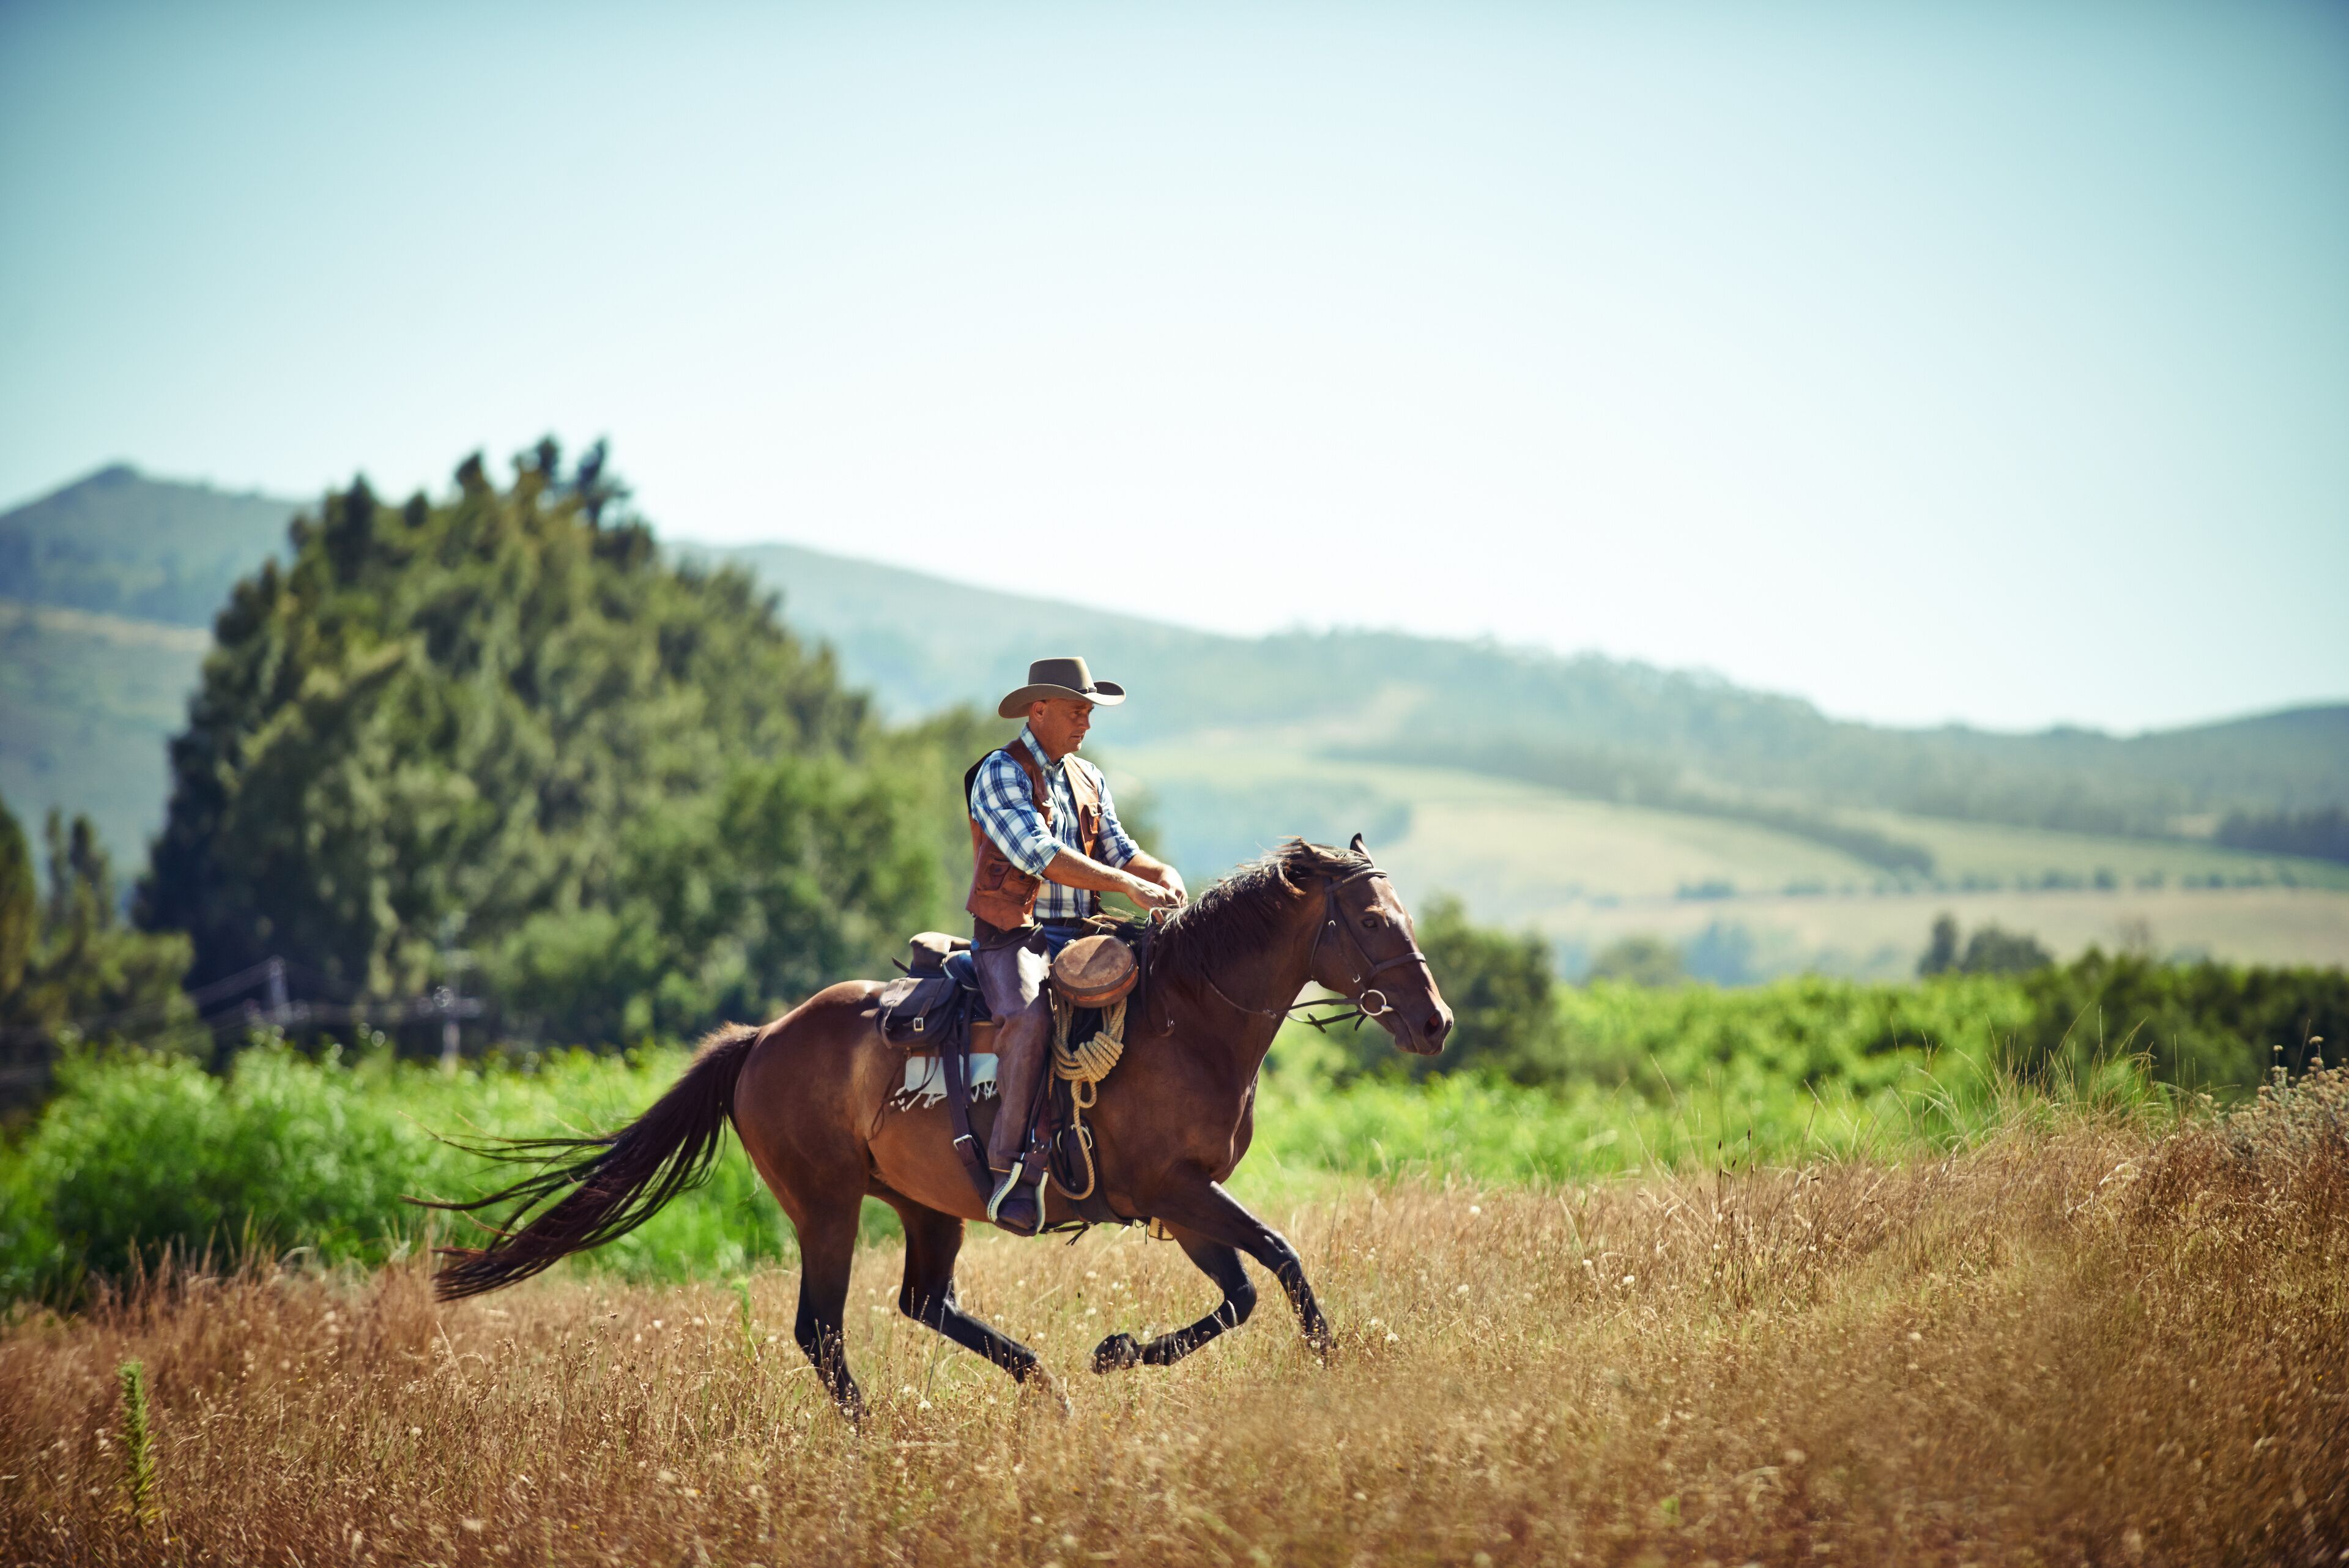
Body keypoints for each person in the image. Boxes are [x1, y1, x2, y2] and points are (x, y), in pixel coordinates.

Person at [965, 656, 1186, 1233]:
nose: (1086, 722)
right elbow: (1038, 853)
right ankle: (1009, 1168)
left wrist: (1160, 873)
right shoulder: (1000, 772)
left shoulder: (1089, 778)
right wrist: (1127, 885)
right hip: (1014, 935)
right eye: (1076, 710)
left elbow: (1120, 849)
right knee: (1031, 1018)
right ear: (1038, 710)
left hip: (1082, 935)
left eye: (1090, 711)